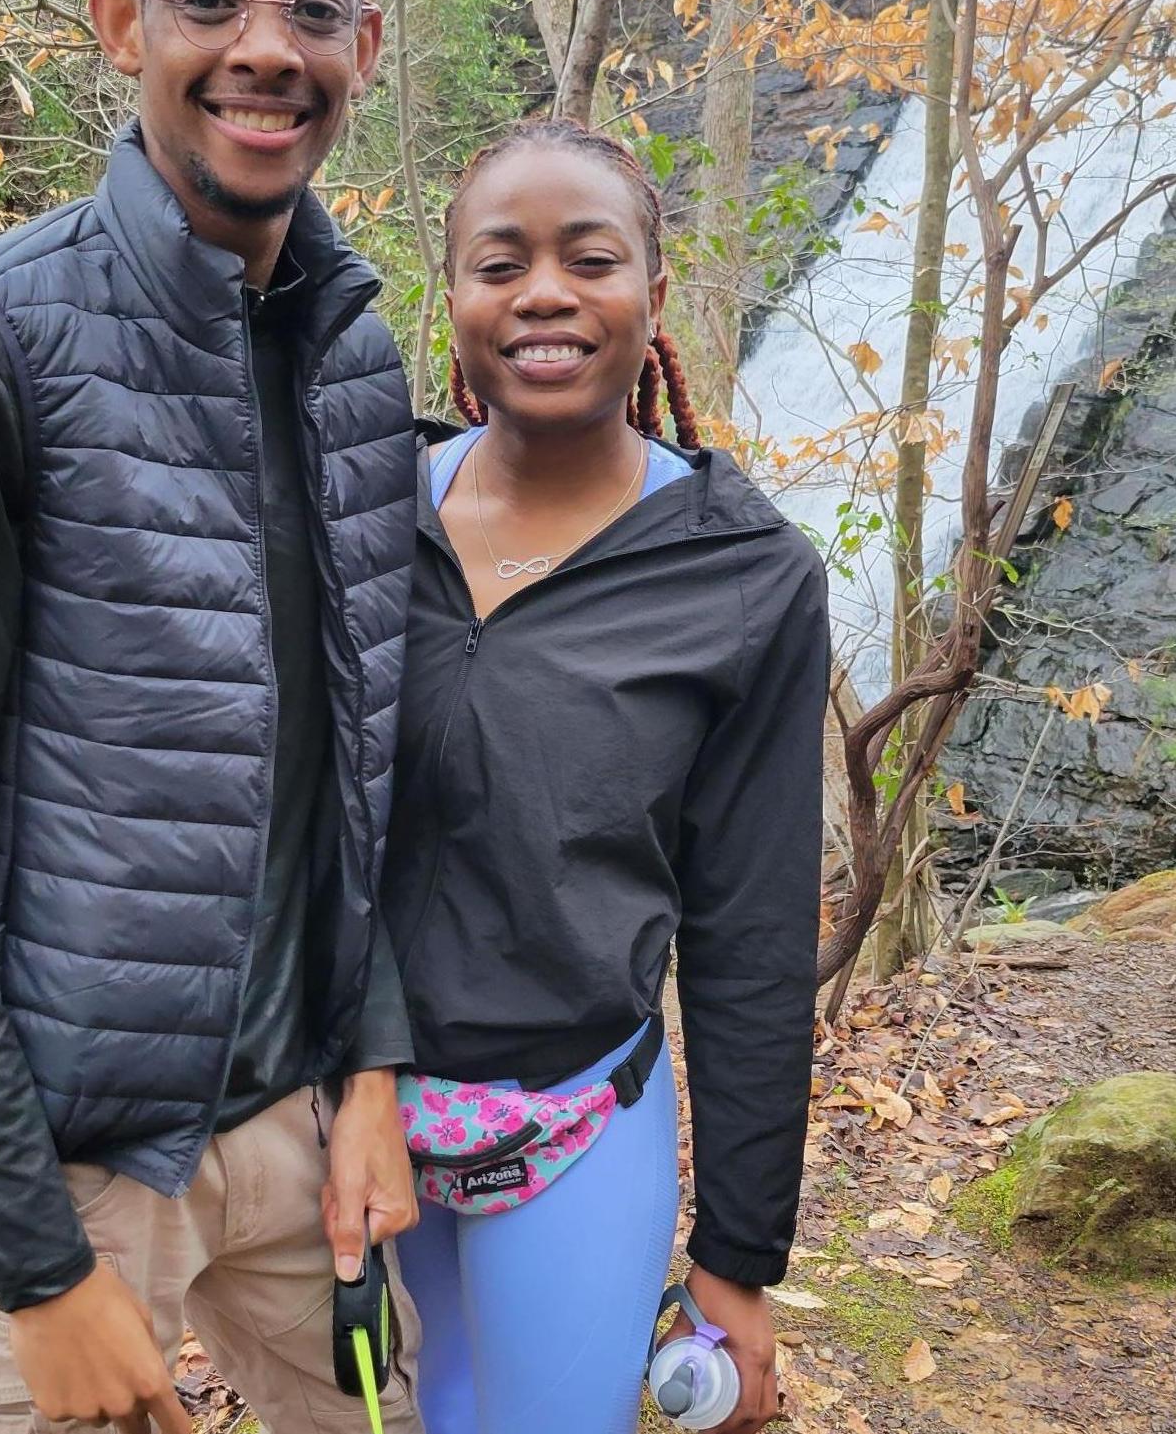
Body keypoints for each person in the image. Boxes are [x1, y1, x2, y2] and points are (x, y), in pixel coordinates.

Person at [0, 0, 426, 1434]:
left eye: (313, 6)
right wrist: (37, 1263)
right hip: (70, 1169)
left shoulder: (358, 360)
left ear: (362, 46)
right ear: (119, 18)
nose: (265, 48)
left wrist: (369, 1070)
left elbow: (360, 775)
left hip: (304, 1136)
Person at [382, 120, 829, 1434]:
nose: (542, 293)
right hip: (351, 1126)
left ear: (650, 295)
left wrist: (740, 1256)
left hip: (572, 1129)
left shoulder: (743, 577)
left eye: (589, 258)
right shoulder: (362, 514)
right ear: (452, 295)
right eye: (497, 261)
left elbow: (749, 938)